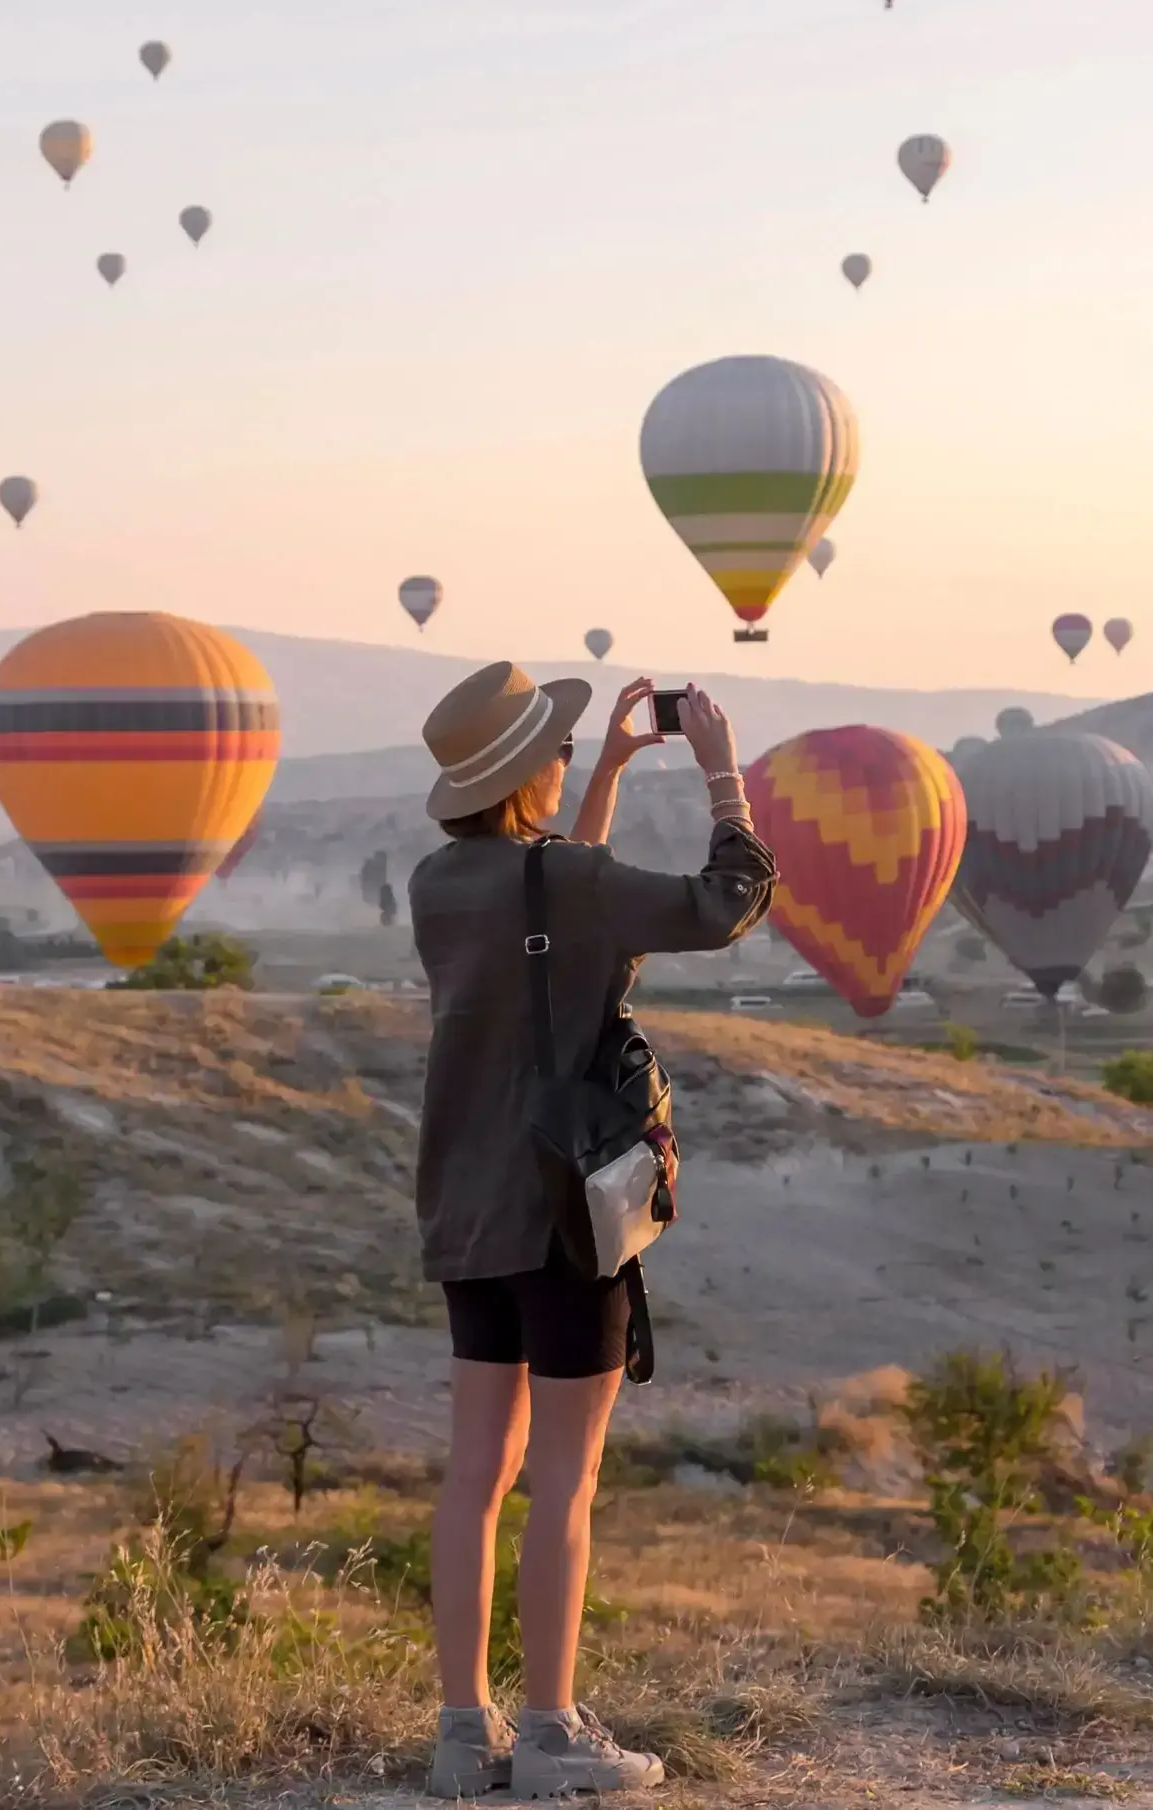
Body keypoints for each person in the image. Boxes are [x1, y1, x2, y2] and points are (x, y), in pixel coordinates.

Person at [408, 663, 775, 1797]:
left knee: (477, 1474)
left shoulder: (436, 883)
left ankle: (464, 1736)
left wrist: (610, 769)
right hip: (570, 1214)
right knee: (563, 1479)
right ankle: (555, 1732)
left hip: (467, 1207)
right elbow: (724, 903)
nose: (568, 761)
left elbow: (555, 905)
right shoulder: (562, 880)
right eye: (559, 753)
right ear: (527, 776)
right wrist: (722, 774)